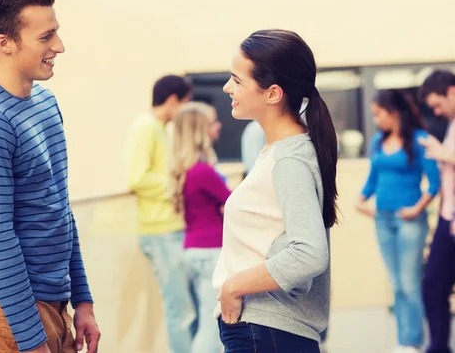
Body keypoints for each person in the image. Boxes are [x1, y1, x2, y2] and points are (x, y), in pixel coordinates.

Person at [0, 0, 100, 353]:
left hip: (50, 303)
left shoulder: (45, 104)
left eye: (56, 32)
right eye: (46, 37)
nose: (60, 46)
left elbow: (59, 210)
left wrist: (82, 300)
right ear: (5, 44)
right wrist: (31, 342)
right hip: (1, 314)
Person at [213, 29, 335, 352]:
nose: (228, 88)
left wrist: (233, 286)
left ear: (273, 94)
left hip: (267, 332)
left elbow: (310, 252)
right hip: (267, 332)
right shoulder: (280, 152)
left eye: (237, 81)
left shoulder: (289, 159)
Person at [357, 89, 440, 353]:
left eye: (378, 114)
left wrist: (417, 209)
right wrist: (360, 200)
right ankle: (404, 341)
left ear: (394, 112)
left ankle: (412, 342)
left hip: (409, 223)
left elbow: (434, 183)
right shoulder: (378, 143)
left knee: (409, 283)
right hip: (383, 220)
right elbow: (373, 179)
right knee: (396, 283)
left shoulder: (420, 140)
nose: (376, 120)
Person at [123, 74, 195, 353]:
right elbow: (136, 178)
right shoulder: (145, 127)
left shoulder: (161, 129)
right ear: (174, 100)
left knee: (186, 307)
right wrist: (178, 187)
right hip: (159, 230)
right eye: (185, 103)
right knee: (181, 309)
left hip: (171, 228)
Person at [170, 102, 232, 353]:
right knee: (211, 325)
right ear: (200, 130)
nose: (218, 127)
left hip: (196, 250)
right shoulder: (202, 171)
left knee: (208, 321)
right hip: (210, 252)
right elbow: (233, 202)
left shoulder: (190, 170)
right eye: (213, 123)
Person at [417, 70, 455, 353]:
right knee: (433, 285)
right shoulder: (451, 125)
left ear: (451, 91)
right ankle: (439, 347)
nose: (437, 112)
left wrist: (440, 152)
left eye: (437, 104)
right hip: (447, 219)